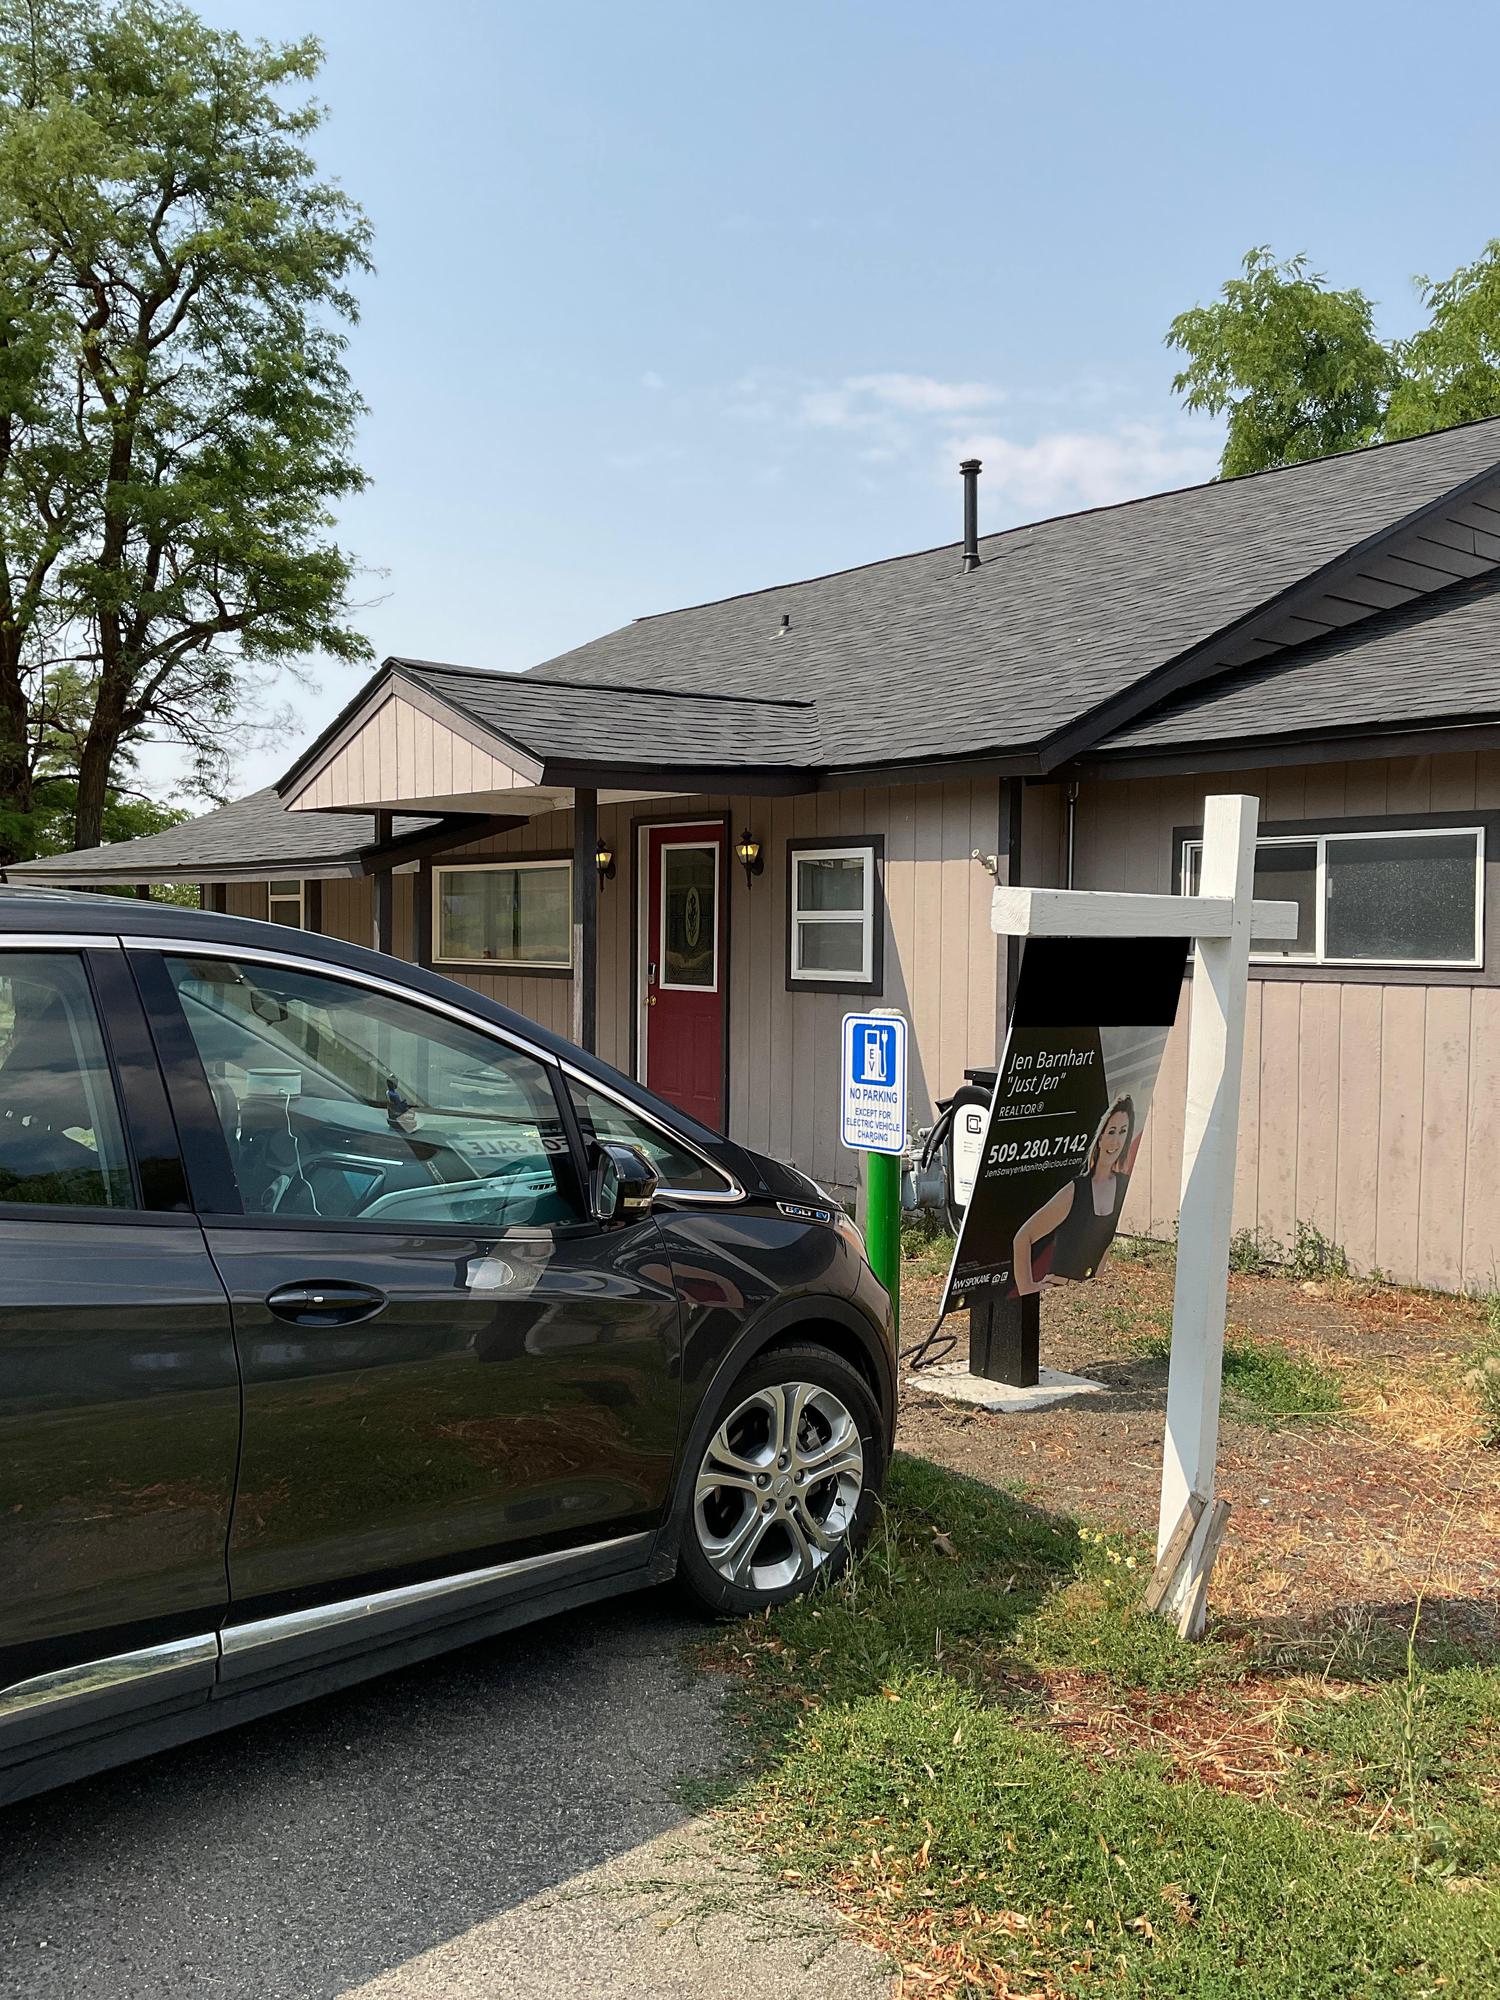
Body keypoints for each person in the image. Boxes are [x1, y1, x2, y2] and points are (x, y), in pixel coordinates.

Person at [1012, 1094, 1136, 1293]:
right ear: (1100, 1138)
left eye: (1123, 1132)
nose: (1116, 1141)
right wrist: (1027, 1287)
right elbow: (1022, 1238)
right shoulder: (1076, 1190)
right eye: (1111, 1131)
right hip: (1058, 1292)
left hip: (1088, 1297)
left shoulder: (1124, 1185)